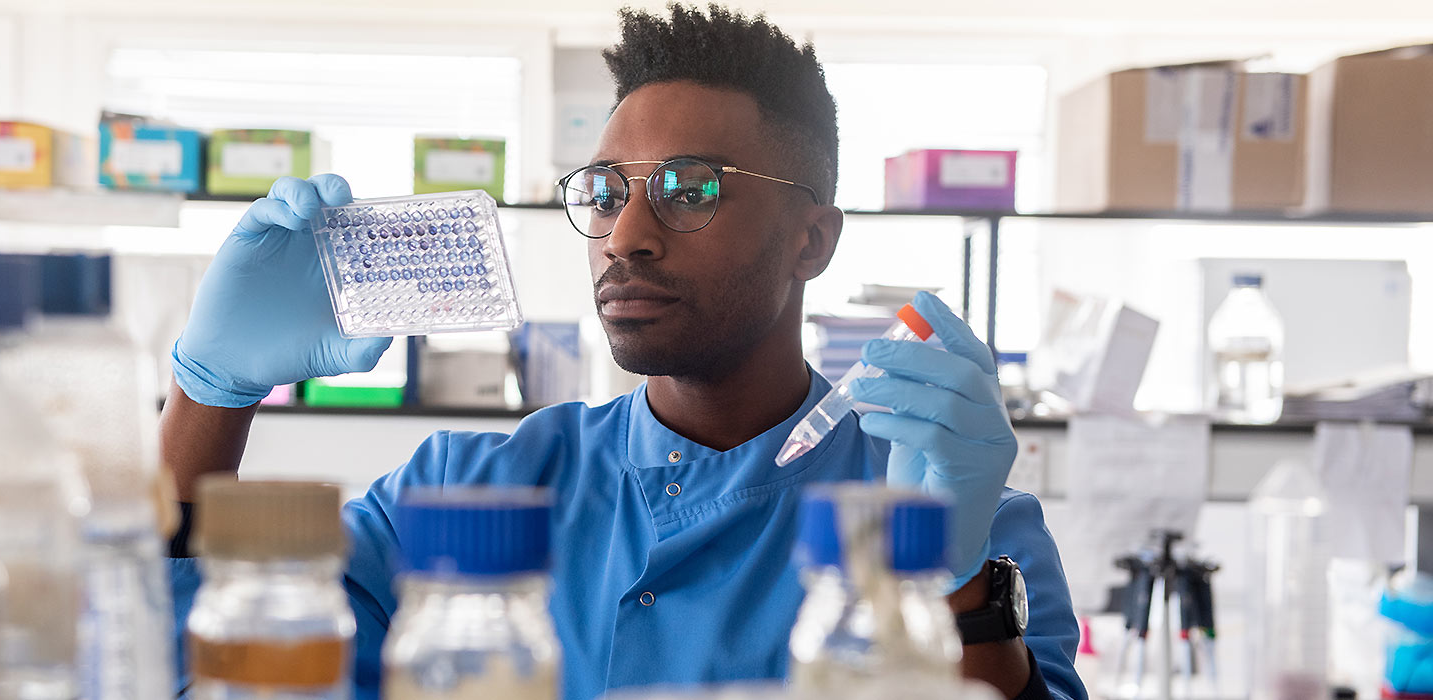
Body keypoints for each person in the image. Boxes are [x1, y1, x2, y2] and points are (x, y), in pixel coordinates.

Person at [162, 5, 1086, 700]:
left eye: (691, 189)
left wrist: (949, 581)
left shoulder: (962, 519)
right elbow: (190, 667)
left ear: (811, 239)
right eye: (606, 189)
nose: (626, 235)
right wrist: (212, 395)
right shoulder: (467, 488)